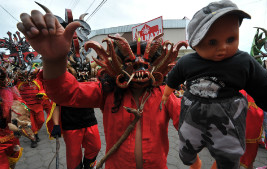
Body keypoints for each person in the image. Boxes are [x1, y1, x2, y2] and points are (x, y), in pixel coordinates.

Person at [16, 4, 184, 169]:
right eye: (129, 63)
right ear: (118, 65)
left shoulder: (165, 95)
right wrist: (53, 60)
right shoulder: (106, 92)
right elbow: (65, 93)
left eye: (147, 63)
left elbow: (187, 121)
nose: (140, 67)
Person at [161, 0, 267, 169]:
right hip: (192, 114)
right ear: (195, 43)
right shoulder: (188, 61)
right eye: (212, 42)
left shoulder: (242, 62)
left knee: (230, 154)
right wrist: (167, 93)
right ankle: (194, 162)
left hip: (227, 117)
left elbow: (265, 87)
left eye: (231, 39)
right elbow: (174, 76)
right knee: (186, 150)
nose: (223, 47)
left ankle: (221, 163)